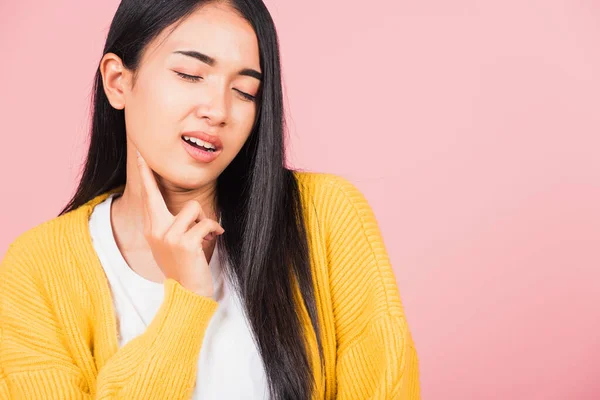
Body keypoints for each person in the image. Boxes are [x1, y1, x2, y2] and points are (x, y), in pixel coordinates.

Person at [0, 0, 420, 399]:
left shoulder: (325, 216)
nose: (218, 110)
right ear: (117, 81)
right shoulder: (37, 267)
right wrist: (186, 301)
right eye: (189, 74)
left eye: (244, 91)